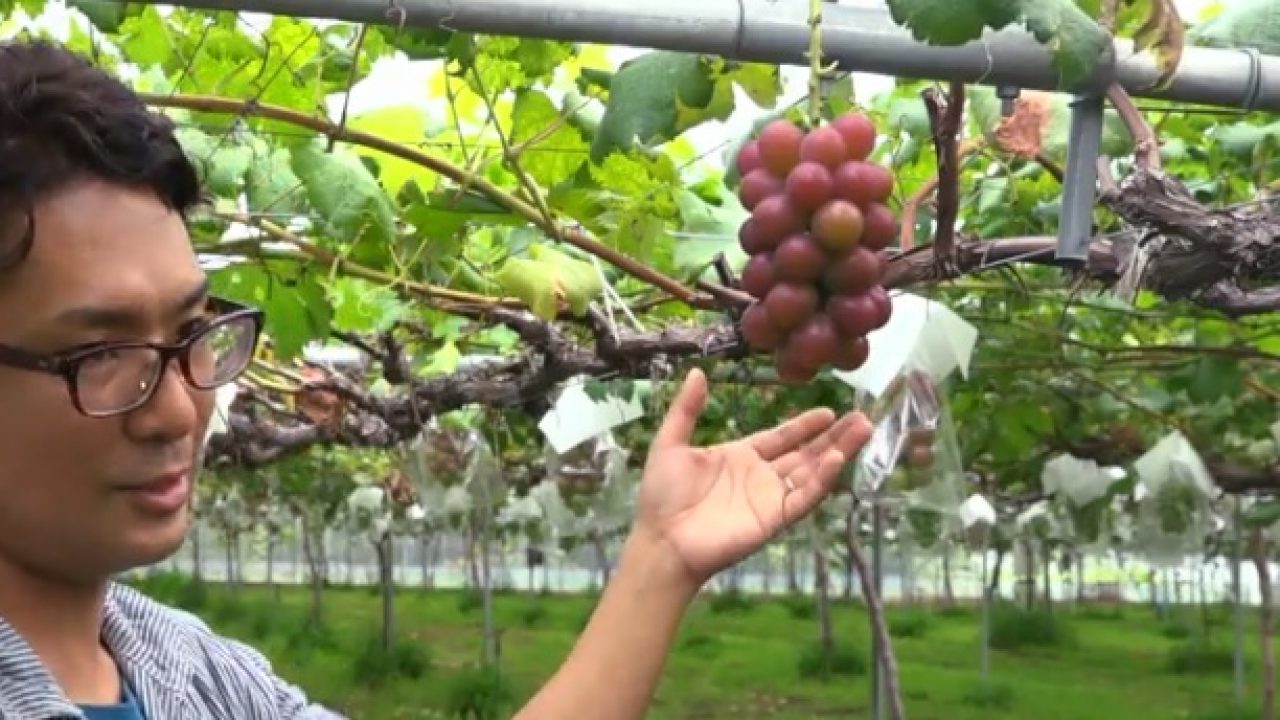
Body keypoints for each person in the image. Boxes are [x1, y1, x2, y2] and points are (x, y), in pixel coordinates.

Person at [0, 38, 873, 719]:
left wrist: (660, 562)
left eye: (193, 332)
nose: (179, 411)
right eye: (102, 355)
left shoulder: (194, 674)